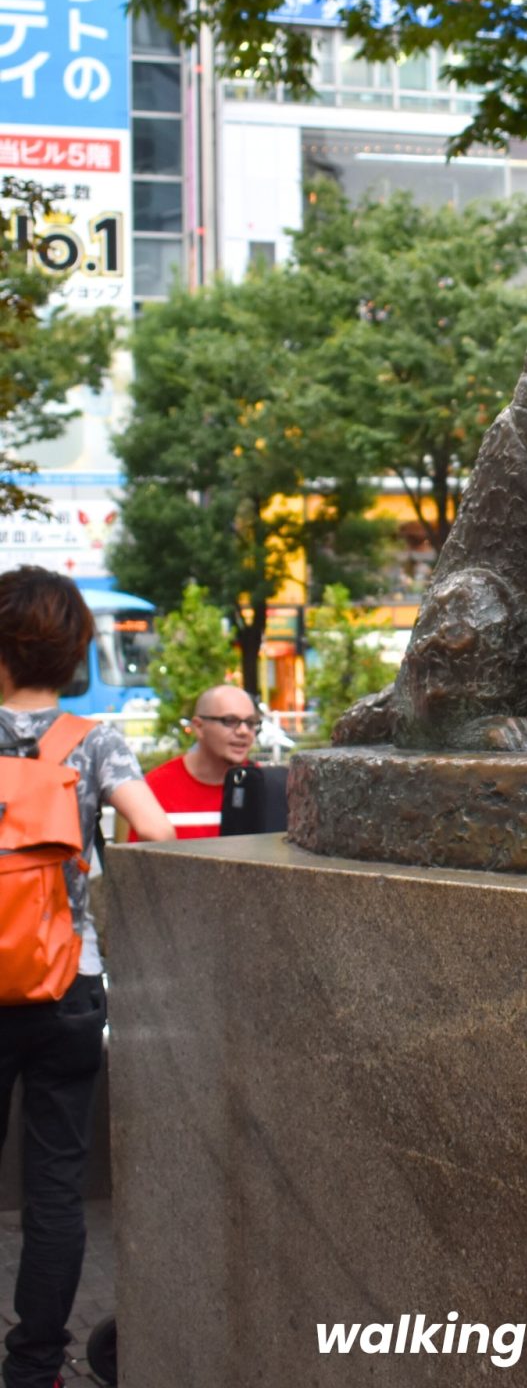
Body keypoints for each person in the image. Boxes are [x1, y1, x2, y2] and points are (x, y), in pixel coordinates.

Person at [0, 566, 173, 1388]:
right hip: (70, 984)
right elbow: (155, 830)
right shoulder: (93, 738)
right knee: (57, 1188)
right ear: (72, 651)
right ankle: (37, 1366)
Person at [134, 684, 262, 840]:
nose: (243, 731)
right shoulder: (153, 789)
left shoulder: (267, 787)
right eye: (230, 721)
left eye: (250, 723)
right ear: (199, 727)